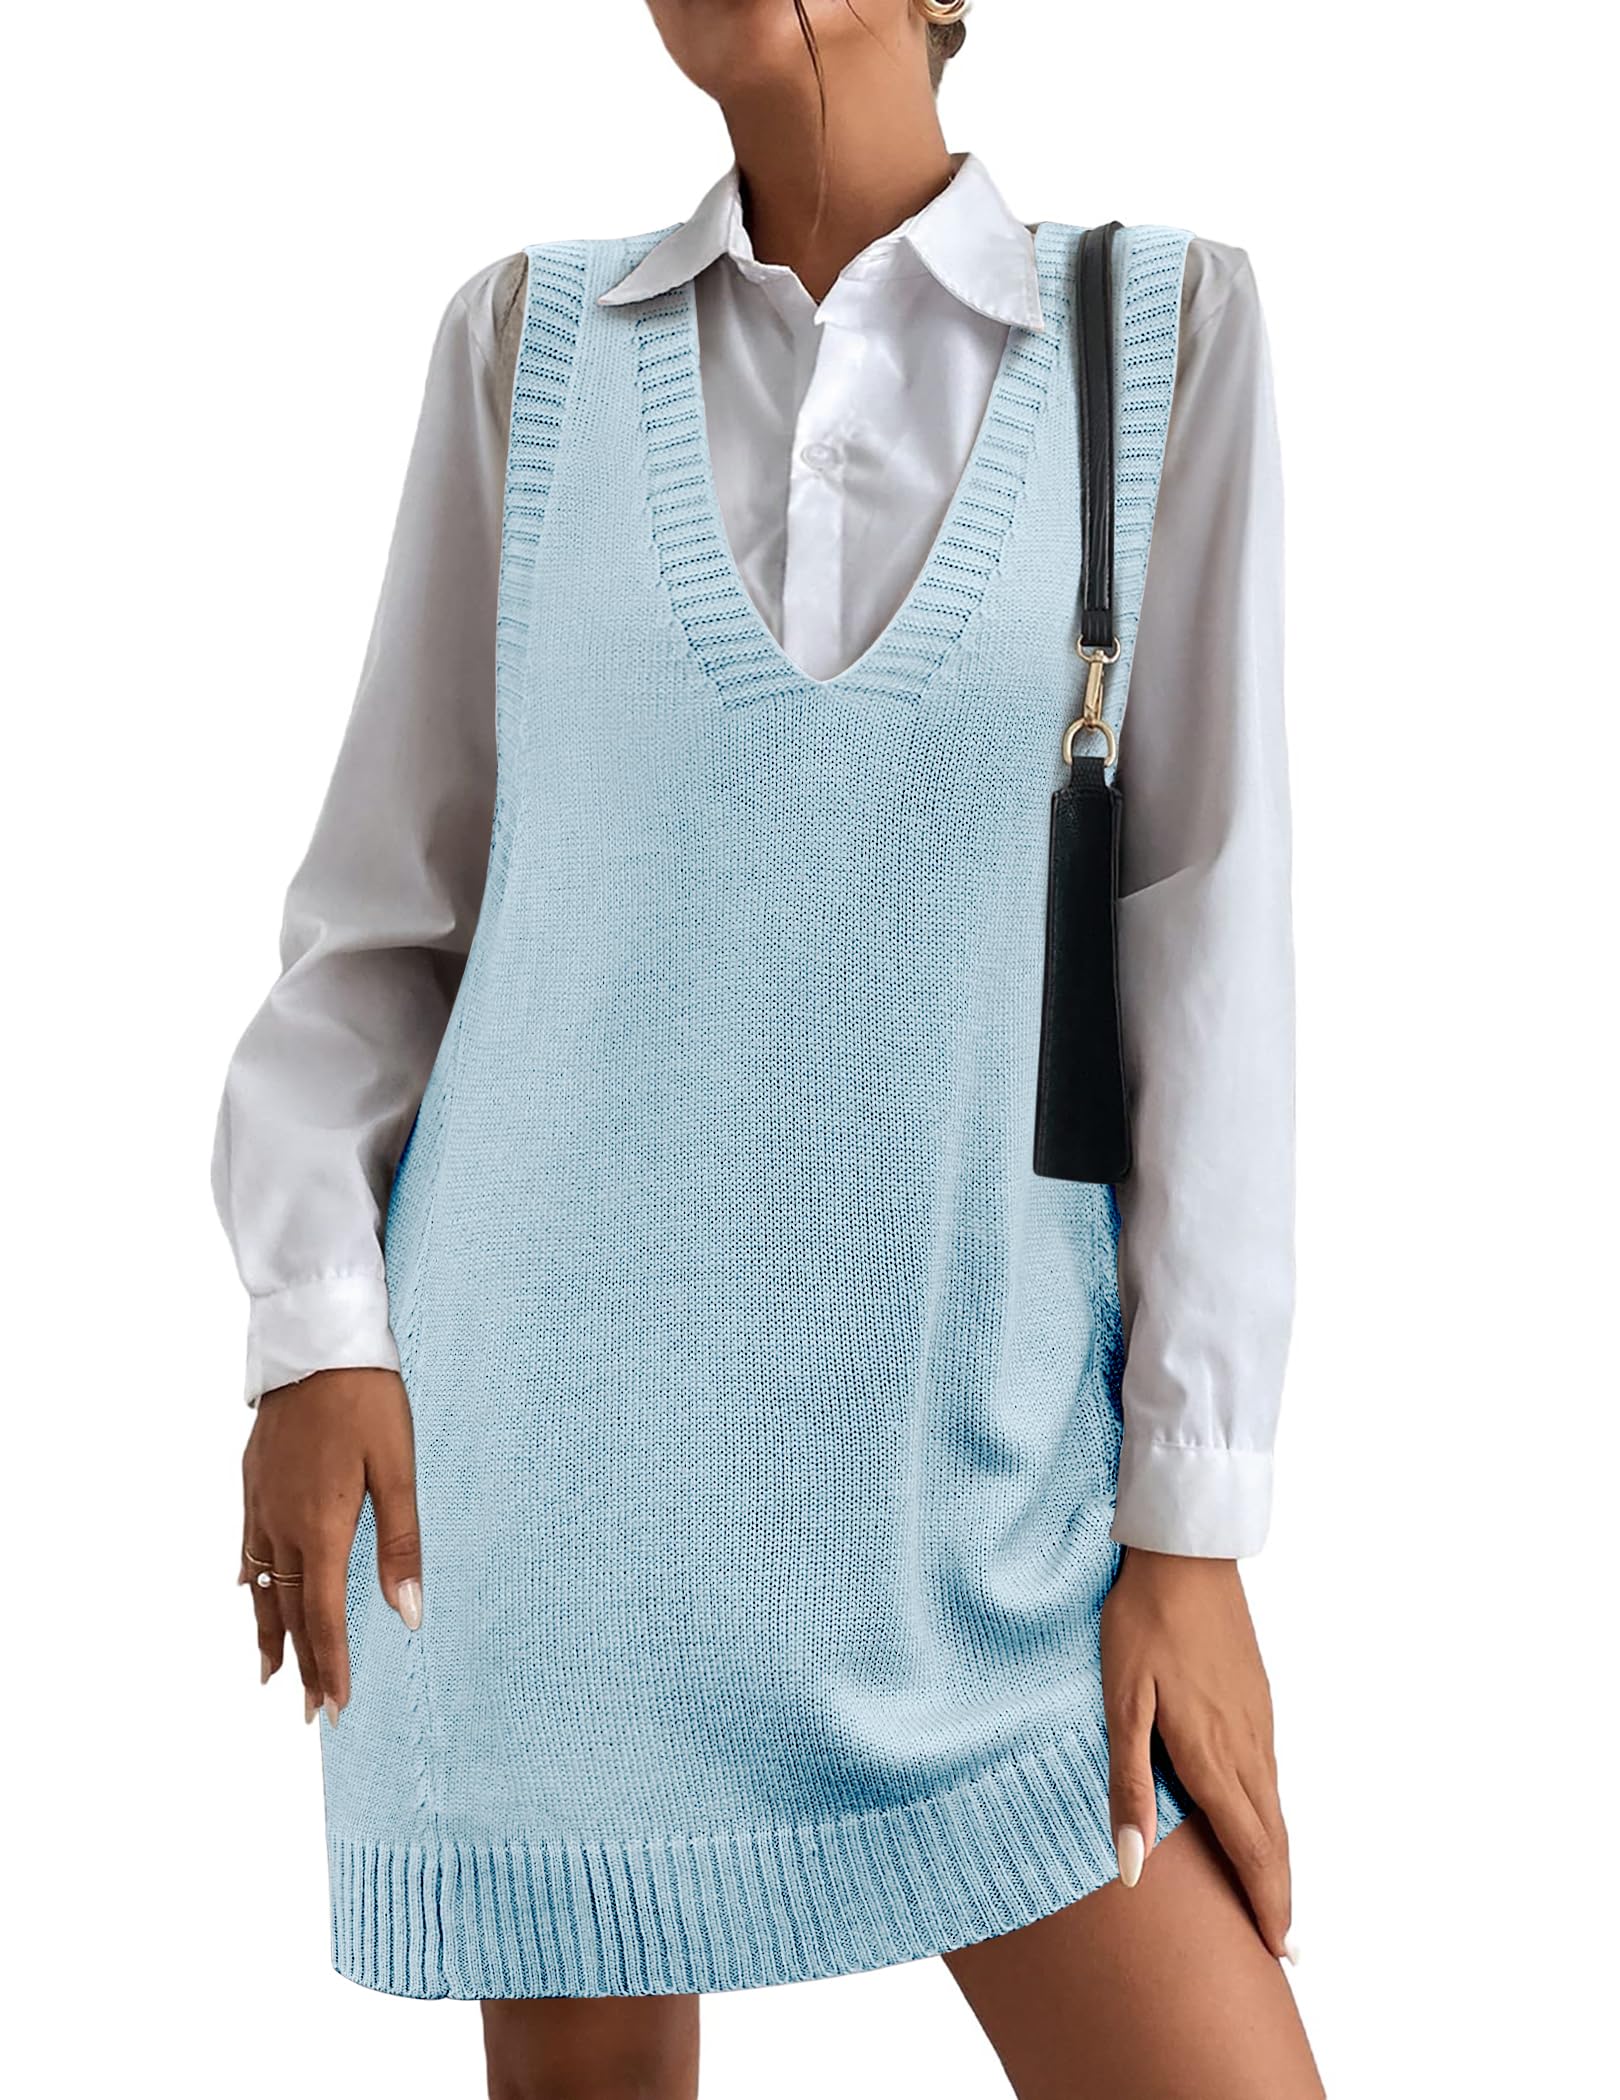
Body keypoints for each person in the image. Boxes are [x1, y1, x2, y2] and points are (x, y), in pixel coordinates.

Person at [212, 3, 1320, 2093]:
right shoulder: (526, 349)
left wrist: (1191, 1528)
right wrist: (310, 1332)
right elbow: (380, 928)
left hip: (978, 1521)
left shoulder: (1157, 337)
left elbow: (1208, 957)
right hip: (541, 1507)